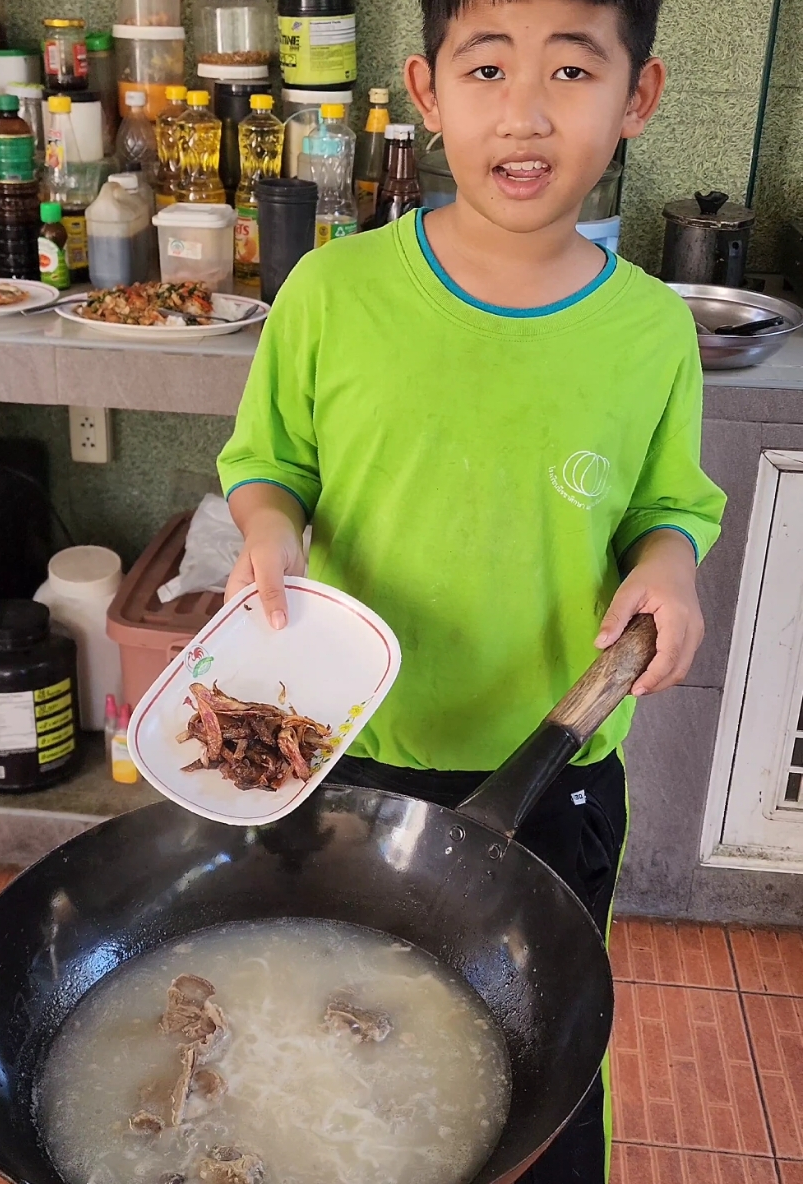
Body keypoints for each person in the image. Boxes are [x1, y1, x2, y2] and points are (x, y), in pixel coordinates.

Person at [217, 0, 726, 1177]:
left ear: (636, 97)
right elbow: (267, 465)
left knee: (531, 1072)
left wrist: (669, 570)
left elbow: (669, 510)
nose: (527, 109)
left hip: (554, 768)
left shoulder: (651, 329)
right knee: (330, 1057)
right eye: (488, 67)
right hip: (345, 752)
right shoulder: (333, 293)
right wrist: (268, 533)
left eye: (571, 68)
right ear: (427, 91)